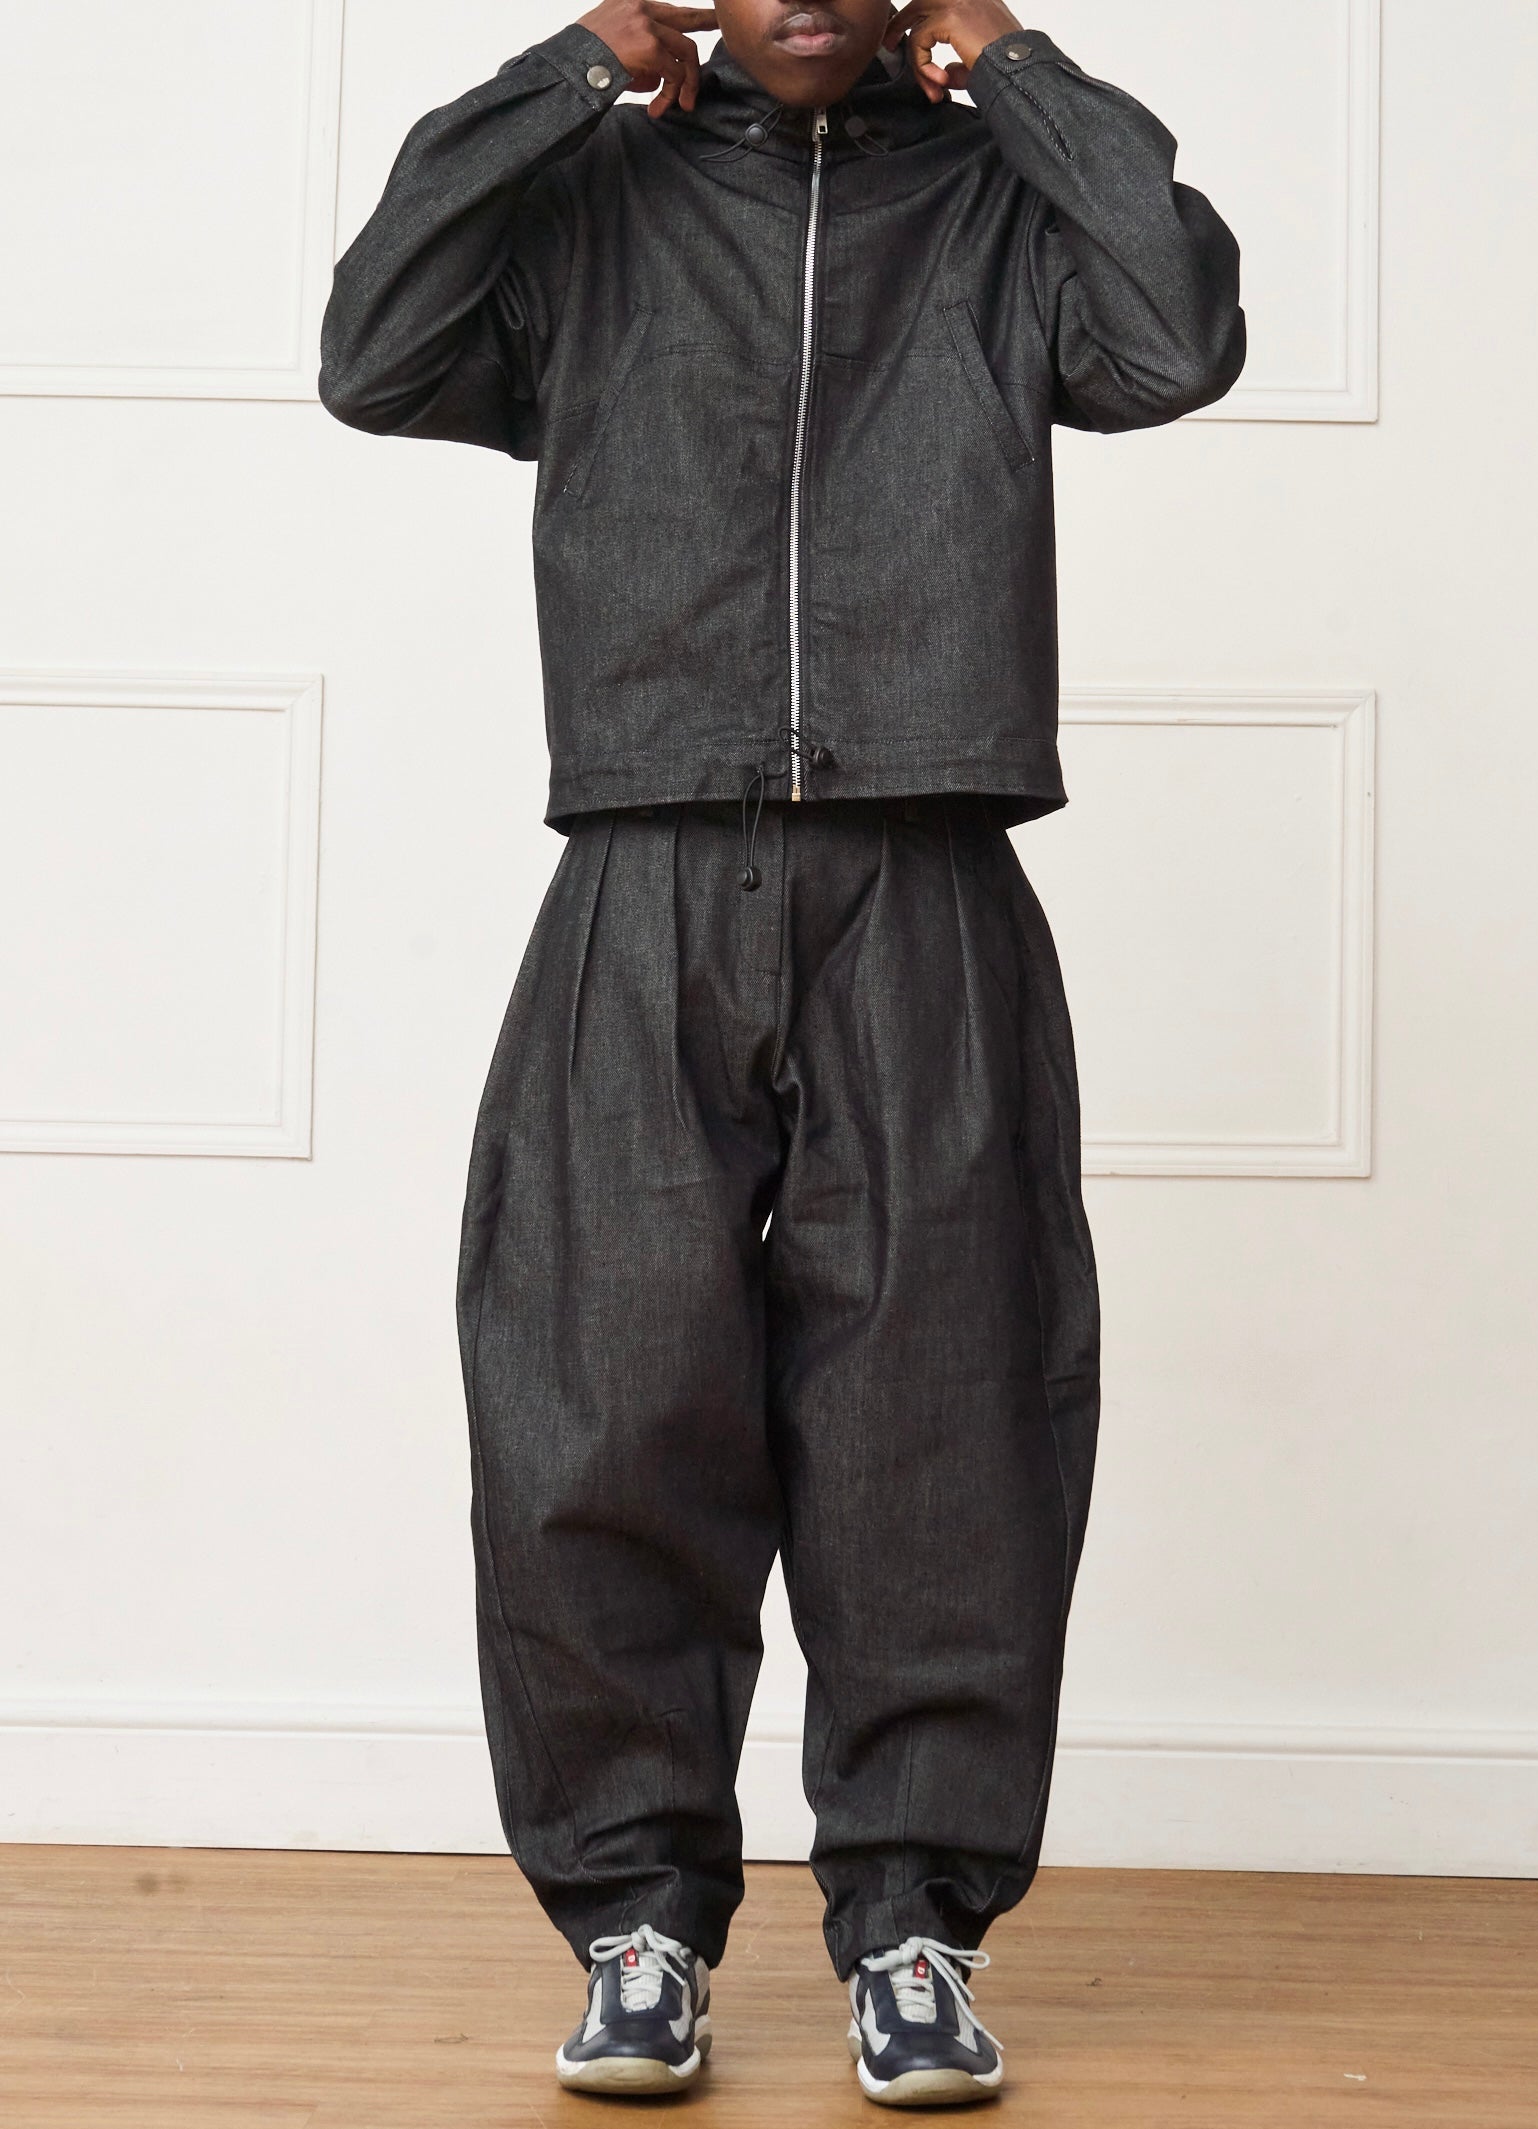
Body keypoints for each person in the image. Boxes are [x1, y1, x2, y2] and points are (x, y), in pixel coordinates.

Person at [319, 0, 1244, 2103]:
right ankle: (635, 1925)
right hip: (642, 862)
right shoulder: (593, 201)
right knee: (595, 1404)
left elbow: (1177, 336)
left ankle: (914, 1928)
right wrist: (570, 73)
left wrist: (1015, 74)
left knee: (949, 1413)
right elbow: (374, 353)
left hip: (927, 863)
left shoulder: (998, 206)